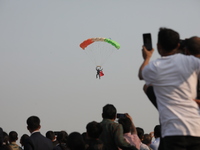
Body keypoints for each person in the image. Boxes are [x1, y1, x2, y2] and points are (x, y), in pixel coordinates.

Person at [138, 27, 200, 150]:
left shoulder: (155, 66)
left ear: (158, 46)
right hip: (195, 129)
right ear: (178, 45)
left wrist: (147, 57)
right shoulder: (191, 61)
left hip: (172, 131)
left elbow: (141, 74)